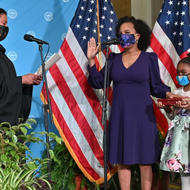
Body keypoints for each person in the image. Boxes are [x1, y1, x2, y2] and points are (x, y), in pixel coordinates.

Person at [87, 16, 174, 190]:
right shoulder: (113, 59)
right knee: (123, 161)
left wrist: (167, 93)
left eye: (127, 32)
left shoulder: (149, 58)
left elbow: (156, 86)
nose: (123, 36)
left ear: (138, 35)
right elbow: (98, 82)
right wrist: (91, 60)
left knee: (145, 162)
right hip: (121, 117)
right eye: (120, 34)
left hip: (144, 117)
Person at [0, 8, 42, 125]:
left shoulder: (2, 55)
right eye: (4, 23)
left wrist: (24, 82)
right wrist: (22, 80)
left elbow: (5, 83)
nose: (6, 28)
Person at [159, 57, 190, 190]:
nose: (180, 76)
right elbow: (173, 116)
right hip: (179, 136)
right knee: (184, 168)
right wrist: (168, 108)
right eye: (178, 73)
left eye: (184, 73)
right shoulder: (176, 93)